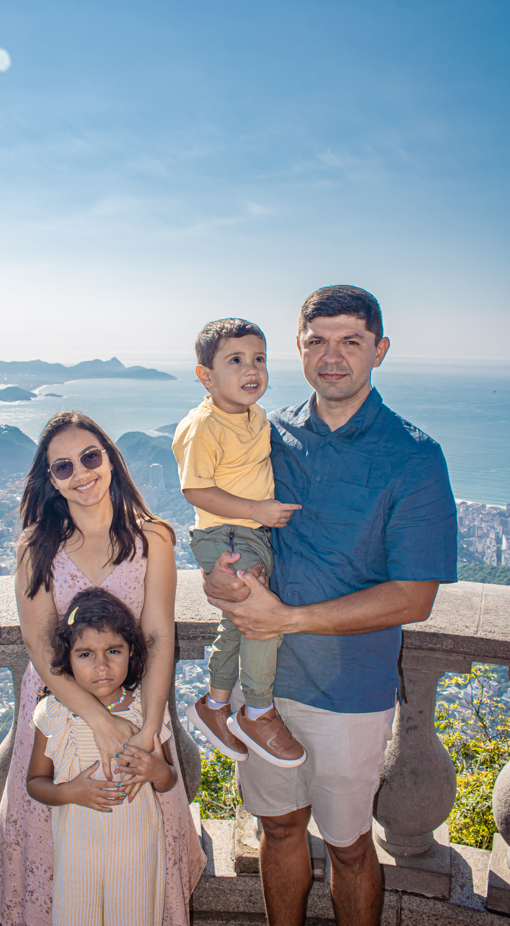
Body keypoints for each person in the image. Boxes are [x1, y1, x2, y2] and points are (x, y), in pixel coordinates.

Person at [203, 286, 457, 926]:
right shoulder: (268, 432)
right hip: (264, 685)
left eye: (351, 341)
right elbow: (227, 517)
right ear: (299, 347)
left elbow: (415, 597)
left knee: (348, 846)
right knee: (279, 829)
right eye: (317, 341)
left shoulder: (414, 456)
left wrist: (287, 619)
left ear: (380, 350)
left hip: (351, 691)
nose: (332, 356)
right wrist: (221, 575)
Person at [0, 411, 205, 926]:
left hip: (136, 706)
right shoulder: (37, 546)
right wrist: (101, 722)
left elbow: (158, 635)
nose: (81, 473)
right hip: (58, 705)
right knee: (58, 842)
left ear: (109, 459)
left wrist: (148, 730)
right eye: (63, 467)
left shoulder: (154, 538)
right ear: (51, 480)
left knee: (141, 838)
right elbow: (40, 645)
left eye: (89, 457)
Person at [173, 318, 305, 767]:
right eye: (235, 360)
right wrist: (258, 510)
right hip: (228, 533)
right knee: (262, 618)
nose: (252, 369)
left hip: (247, 533)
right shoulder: (203, 425)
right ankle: (258, 711)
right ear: (205, 376)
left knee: (237, 623)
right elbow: (194, 490)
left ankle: (214, 705)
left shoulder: (256, 415)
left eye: (259, 359)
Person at [27, 587, 177, 926]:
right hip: (77, 851)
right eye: (85, 654)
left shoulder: (146, 711)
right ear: (67, 658)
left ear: (131, 652)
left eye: (113, 651)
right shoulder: (55, 713)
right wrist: (70, 792)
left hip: (137, 850)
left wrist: (156, 771)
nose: (102, 665)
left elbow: (167, 780)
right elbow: (35, 782)